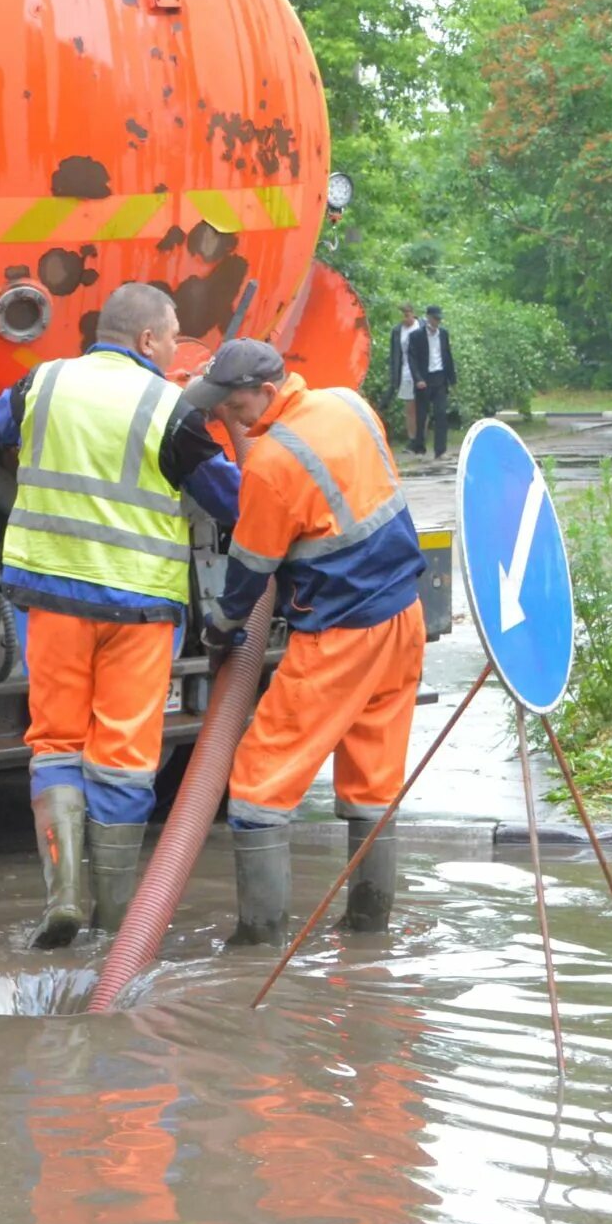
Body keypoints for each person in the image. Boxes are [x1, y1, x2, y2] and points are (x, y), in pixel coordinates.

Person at [0, 282, 240, 947]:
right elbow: (226, 498)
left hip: (51, 599)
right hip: (137, 608)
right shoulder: (169, 409)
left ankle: (64, 896)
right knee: (124, 757)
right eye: (175, 332)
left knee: (55, 742)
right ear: (150, 340)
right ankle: (116, 926)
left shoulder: (44, 381)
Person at [189, 339, 426, 944]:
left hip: (343, 633)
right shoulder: (349, 404)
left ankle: (258, 940)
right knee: (373, 777)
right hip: (404, 616)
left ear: (267, 393)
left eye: (233, 403)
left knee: (259, 779)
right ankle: (370, 930)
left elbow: (249, 569)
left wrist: (220, 628)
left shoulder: (271, 463)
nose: (227, 416)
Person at [403, 306, 456, 458]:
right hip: (424, 379)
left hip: (439, 378)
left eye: (439, 319)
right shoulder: (416, 336)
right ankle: (419, 448)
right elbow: (412, 359)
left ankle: (440, 450)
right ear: (428, 318)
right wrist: (418, 379)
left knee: (441, 414)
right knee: (421, 415)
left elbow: (447, 356)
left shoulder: (443, 334)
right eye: (434, 318)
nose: (437, 322)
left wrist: (452, 379)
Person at [387, 304, 422, 449]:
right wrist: (394, 374)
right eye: (402, 316)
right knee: (410, 408)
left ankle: (420, 438)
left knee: (422, 407)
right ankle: (412, 439)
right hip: (406, 371)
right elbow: (395, 354)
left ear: (413, 314)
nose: (405, 319)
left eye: (407, 315)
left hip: (422, 372)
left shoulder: (421, 327)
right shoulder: (397, 331)